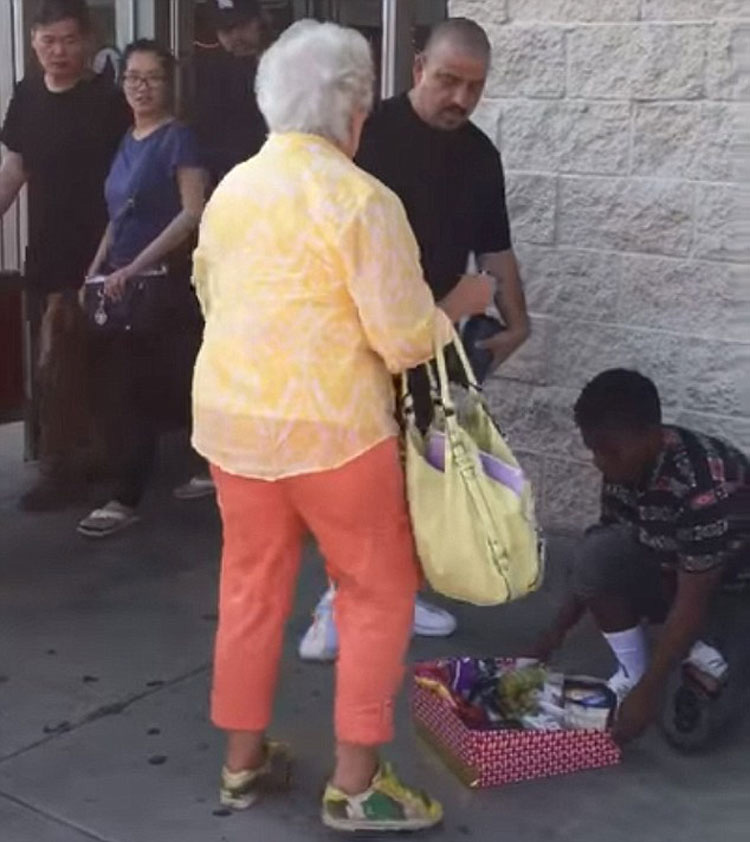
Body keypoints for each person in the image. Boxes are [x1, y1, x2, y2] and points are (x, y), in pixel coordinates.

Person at [191, 20, 493, 831]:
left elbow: (213, 297)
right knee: (375, 593)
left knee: (249, 591)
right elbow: (402, 338)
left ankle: (241, 763)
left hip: (233, 429)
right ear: (356, 109)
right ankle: (358, 783)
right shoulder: (361, 199)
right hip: (334, 436)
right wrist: (457, 307)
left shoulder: (232, 189)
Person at [299, 16, 530, 661]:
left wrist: (519, 322)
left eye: (475, 88)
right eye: (449, 80)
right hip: (356, 331)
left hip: (438, 333)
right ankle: (337, 598)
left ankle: (399, 589)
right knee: (358, 474)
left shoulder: (481, 154)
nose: (460, 98)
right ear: (419, 68)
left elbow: (496, 247)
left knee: (423, 470)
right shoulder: (363, 135)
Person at [532, 370, 749, 748]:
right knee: (597, 553)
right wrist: (553, 634)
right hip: (671, 572)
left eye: (610, 450)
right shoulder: (624, 466)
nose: (599, 461)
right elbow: (605, 556)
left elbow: (692, 600)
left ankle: (712, 657)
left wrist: (650, 694)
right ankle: (637, 670)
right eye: (593, 448)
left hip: (731, 593)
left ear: (654, 434)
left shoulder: (705, 488)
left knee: (687, 733)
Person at [0, 0, 130, 511]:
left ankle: (104, 459)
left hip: (103, 255)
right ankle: (61, 468)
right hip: (48, 253)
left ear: (88, 42)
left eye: (69, 40)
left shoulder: (108, 101)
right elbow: (15, 170)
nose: (58, 51)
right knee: (53, 368)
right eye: (48, 41)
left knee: (103, 367)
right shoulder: (27, 97)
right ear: (33, 43)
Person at [76, 40, 206, 538]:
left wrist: (134, 266)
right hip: (119, 284)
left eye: (152, 77)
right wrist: (98, 268)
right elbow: (118, 214)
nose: (141, 86)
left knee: (140, 389)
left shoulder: (180, 138)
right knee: (136, 388)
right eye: (133, 76)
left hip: (162, 285)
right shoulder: (127, 139)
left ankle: (125, 496)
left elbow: (191, 212)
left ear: (169, 83)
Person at [173, 0, 269, 502]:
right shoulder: (200, 74)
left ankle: (250, 449)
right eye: (227, 28)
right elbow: (192, 146)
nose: (236, 37)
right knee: (212, 337)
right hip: (215, 219)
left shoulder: (275, 73)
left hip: (268, 220)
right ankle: (212, 453)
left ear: (259, 23)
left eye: (243, 25)